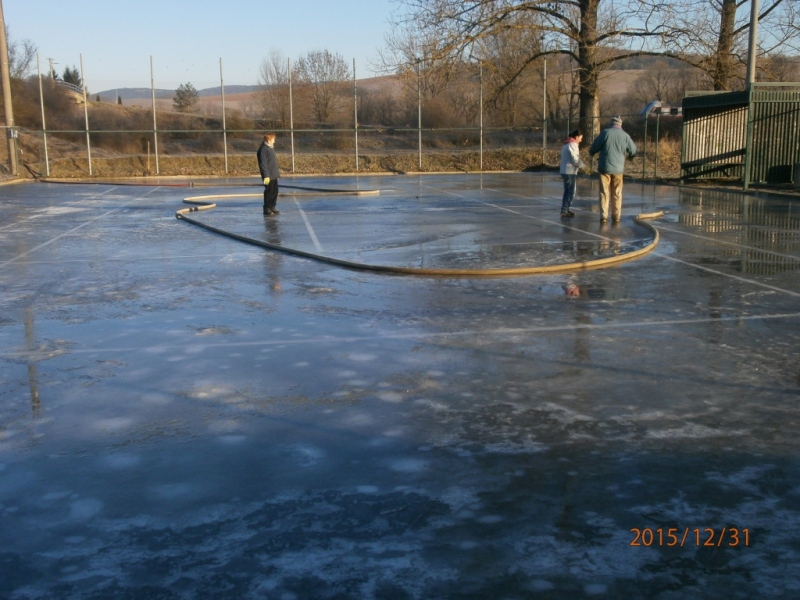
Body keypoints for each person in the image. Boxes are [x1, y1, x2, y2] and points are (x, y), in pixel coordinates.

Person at [588, 116, 637, 224]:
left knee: (604, 192)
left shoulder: (605, 133)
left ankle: (604, 216)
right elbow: (633, 150)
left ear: (611, 124)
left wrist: (591, 153)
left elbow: (594, 147)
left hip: (604, 168)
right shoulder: (625, 136)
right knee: (617, 193)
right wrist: (630, 157)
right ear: (620, 125)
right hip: (619, 169)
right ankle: (616, 216)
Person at [559, 129, 585, 218]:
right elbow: (575, 159)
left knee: (567, 191)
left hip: (565, 170)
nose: (581, 140)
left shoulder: (567, 144)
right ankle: (565, 210)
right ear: (576, 137)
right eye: (580, 138)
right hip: (569, 171)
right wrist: (582, 165)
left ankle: (565, 209)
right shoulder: (573, 145)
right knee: (571, 191)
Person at [257, 133, 281, 216]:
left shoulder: (270, 148)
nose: (274, 141)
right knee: (269, 192)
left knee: (275, 191)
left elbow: (273, 163)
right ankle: (267, 208)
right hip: (268, 175)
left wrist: (277, 174)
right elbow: (263, 164)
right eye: (273, 140)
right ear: (268, 140)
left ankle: (272, 207)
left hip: (273, 174)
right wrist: (266, 176)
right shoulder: (263, 149)